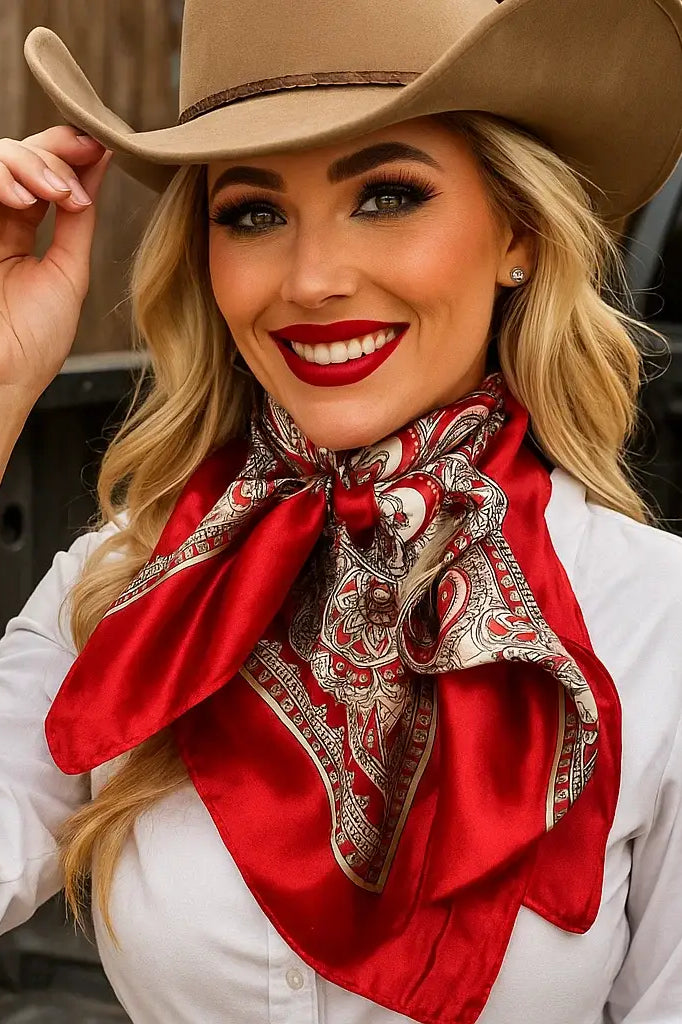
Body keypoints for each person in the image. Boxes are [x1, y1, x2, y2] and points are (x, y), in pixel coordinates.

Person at [1, 0, 682, 1021]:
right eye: (254, 214)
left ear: (520, 234)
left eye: (386, 196)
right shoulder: (120, 592)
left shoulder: (654, 623)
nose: (312, 280)